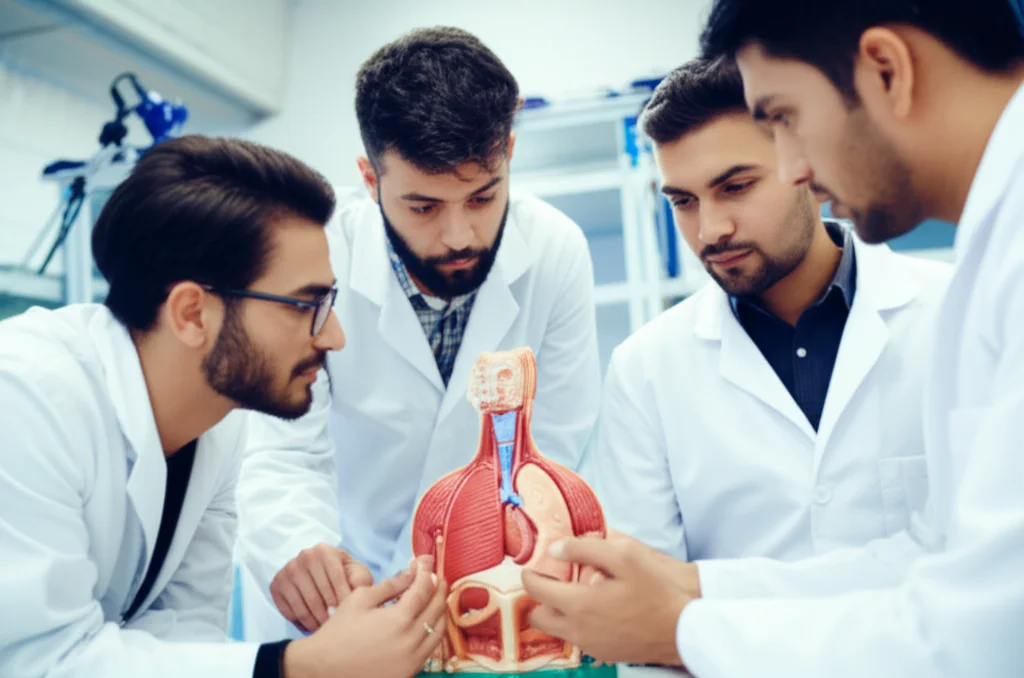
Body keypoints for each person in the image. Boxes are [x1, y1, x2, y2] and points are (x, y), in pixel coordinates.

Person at [521, 1, 1024, 676]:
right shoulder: (998, 253)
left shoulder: (985, 277)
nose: (796, 168)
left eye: (784, 118)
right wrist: (692, 591)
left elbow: (982, 633)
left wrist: (684, 631)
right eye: (682, 200)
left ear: (887, 70)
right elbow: (928, 553)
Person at [0, 135, 446, 678]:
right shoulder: (23, 396)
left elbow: (181, 633)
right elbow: (40, 662)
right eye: (307, 305)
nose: (334, 337)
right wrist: (298, 666)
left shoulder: (218, 424)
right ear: (191, 313)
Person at [236, 26, 601, 641]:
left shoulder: (556, 249)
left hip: (494, 591)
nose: (458, 236)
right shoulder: (319, 259)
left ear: (509, 152)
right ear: (370, 180)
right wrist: (301, 551)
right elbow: (282, 452)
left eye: (483, 197)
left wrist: (498, 568)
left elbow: (552, 453)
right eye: (424, 207)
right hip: (339, 595)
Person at [580, 56, 949, 584]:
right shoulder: (644, 371)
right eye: (683, 201)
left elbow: (991, 560)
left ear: (805, 163)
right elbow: (640, 599)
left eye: (735, 186)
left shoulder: (950, 312)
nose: (710, 230)